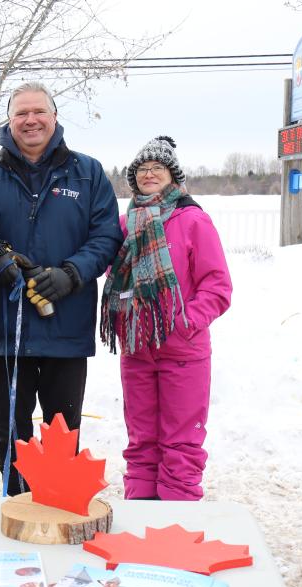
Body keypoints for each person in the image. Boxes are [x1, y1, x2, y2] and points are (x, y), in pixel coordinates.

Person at [0, 82, 122, 496]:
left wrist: (71, 273)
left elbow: (106, 236)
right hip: (9, 332)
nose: (30, 120)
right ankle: (16, 509)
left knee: (61, 435)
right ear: (9, 120)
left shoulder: (88, 173)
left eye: (38, 112)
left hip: (65, 331)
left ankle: (59, 509)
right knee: (13, 435)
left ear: (54, 118)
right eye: (21, 113)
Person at [100, 135, 232, 501]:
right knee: (141, 441)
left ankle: (176, 524)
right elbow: (113, 273)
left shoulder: (193, 221)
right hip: (137, 348)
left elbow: (217, 287)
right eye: (142, 169)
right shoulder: (127, 225)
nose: (149, 174)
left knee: (181, 443)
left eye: (157, 168)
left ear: (174, 177)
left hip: (183, 352)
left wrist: (183, 322)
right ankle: (140, 515)